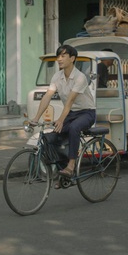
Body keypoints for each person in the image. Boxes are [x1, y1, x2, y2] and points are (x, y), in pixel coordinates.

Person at [31, 45, 96, 182]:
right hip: (72, 113)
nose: (59, 59)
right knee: (52, 136)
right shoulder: (57, 76)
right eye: (58, 56)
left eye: (63, 56)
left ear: (72, 58)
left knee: (73, 128)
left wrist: (61, 119)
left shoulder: (80, 77)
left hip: (87, 113)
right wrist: (36, 118)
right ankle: (63, 171)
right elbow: (47, 96)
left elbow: (70, 101)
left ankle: (71, 165)